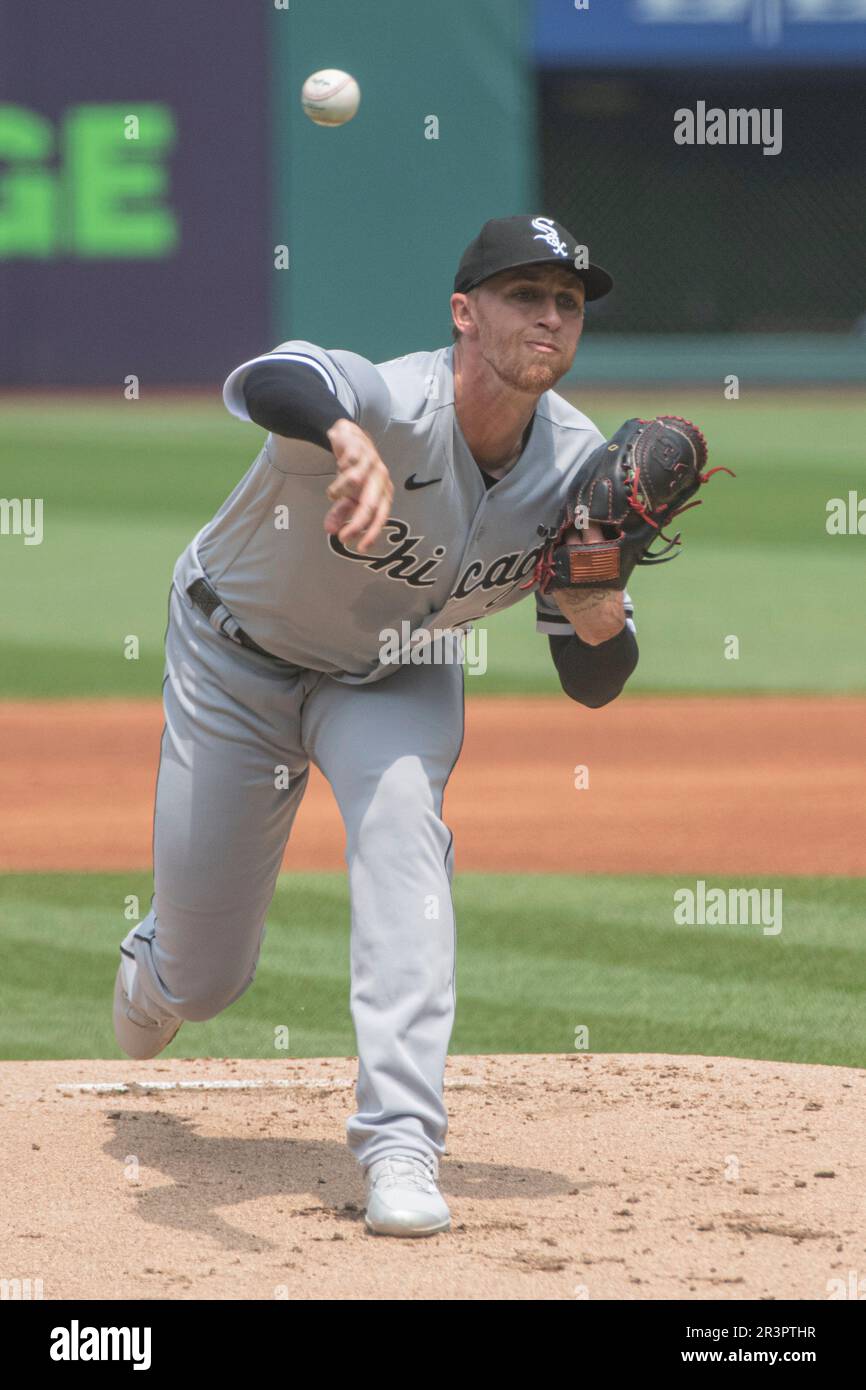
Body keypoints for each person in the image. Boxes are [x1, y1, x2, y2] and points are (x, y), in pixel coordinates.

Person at [113, 215, 638, 1237]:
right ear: (462, 312)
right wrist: (343, 437)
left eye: (565, 301)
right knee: (201, 982)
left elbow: (593, 680)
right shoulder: (389, 398)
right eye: (523, 294)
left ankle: (400, 1142)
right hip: (236, 658)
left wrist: (594, 612)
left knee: (405, 833)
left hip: (397, 672)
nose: (547, 315)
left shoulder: (577, 470)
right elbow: (278, 375)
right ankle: (163, 950)